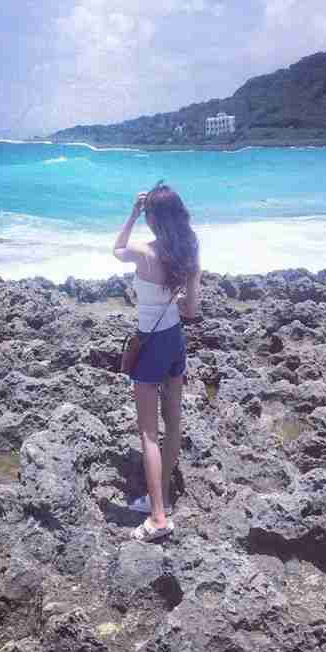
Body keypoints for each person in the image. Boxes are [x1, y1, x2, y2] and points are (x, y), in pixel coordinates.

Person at [112, 180, 201, 542]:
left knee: (148, 433)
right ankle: (160, 496)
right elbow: (191, 310)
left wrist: (132, 214)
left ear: (151, 217)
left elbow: (117, 248)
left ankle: (158, 518)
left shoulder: (144, 253)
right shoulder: (189, 250)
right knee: (173, 424)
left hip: (151, 346)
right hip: (175, 340)